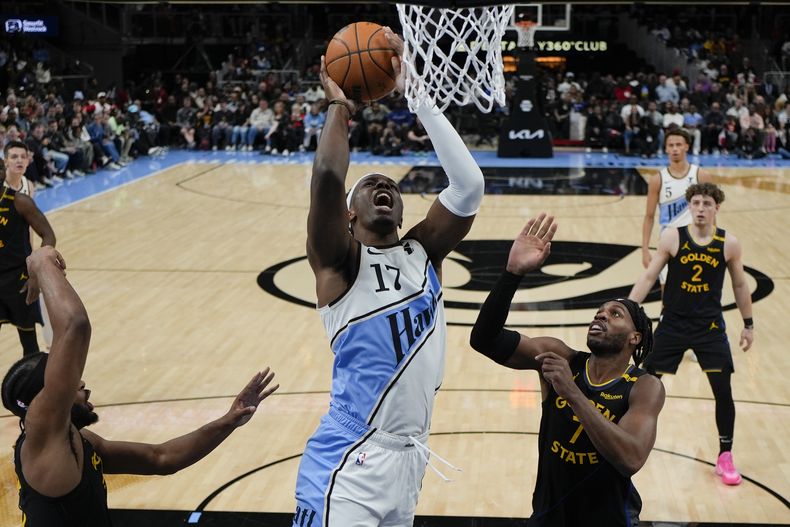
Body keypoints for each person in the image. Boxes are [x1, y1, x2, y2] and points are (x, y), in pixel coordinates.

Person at [295, 27, 484, 527]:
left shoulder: (424, 251)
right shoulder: (339, 261)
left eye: (391, 186)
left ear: (402, 211)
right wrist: (340, 108)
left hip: (410, 461)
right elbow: (329, 180)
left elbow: (468, 185)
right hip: (348, 460)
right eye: (370, 186)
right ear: (349, 216)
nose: (383, 187)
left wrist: (416, 94)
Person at [1, 246, 279, 525]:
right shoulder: (42, 438)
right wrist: (42, 262)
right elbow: (74, 325)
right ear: (44, 399)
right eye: (73, 384)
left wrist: (228, 420)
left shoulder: (79, 440)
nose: (83, 385)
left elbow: (162, 457)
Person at [469, 213, 665, 527]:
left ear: (635, 337)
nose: (600, 316)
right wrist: (511, 274)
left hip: (609, 520)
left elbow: (630, 458)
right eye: (599, 312)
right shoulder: (562, 357)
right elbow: (484, 340)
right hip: (548, 516)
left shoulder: (643, 386)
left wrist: (572, 393)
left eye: (615, 314)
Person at [629, 182, 753, 486]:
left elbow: (739, 285)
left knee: (723, 390)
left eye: (706, 204)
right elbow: (649, 275)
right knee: (641, 385)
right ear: (690, 206)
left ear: (716, 208)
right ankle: (620, 442)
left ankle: (725, 455)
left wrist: (749, 324)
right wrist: (629, 310)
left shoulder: (729, 244)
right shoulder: (673, 237)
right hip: (671, 325)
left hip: (709, 329)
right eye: (695, 203)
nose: (700, 208)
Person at [0, 147, 56, 356]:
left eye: (23, 157)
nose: (19, 161)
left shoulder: (23, 194)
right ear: (6, 162)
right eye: (14, 157)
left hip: (20, 272)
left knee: (30, 339)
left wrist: (36, 267)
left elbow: (45, 233)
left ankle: (35, 381)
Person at [641, 129, 712, 289]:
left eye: (678, 144)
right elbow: (649, 217)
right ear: (665, 148)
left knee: (696, 296)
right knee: (667, 298)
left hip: (696, 244)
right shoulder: (657, 180)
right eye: (671, 145)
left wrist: (713, 243)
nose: (674, 149)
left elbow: (711, 215)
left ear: (686, 146)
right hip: (668, 244)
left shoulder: (701, 176)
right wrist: (645, 249)